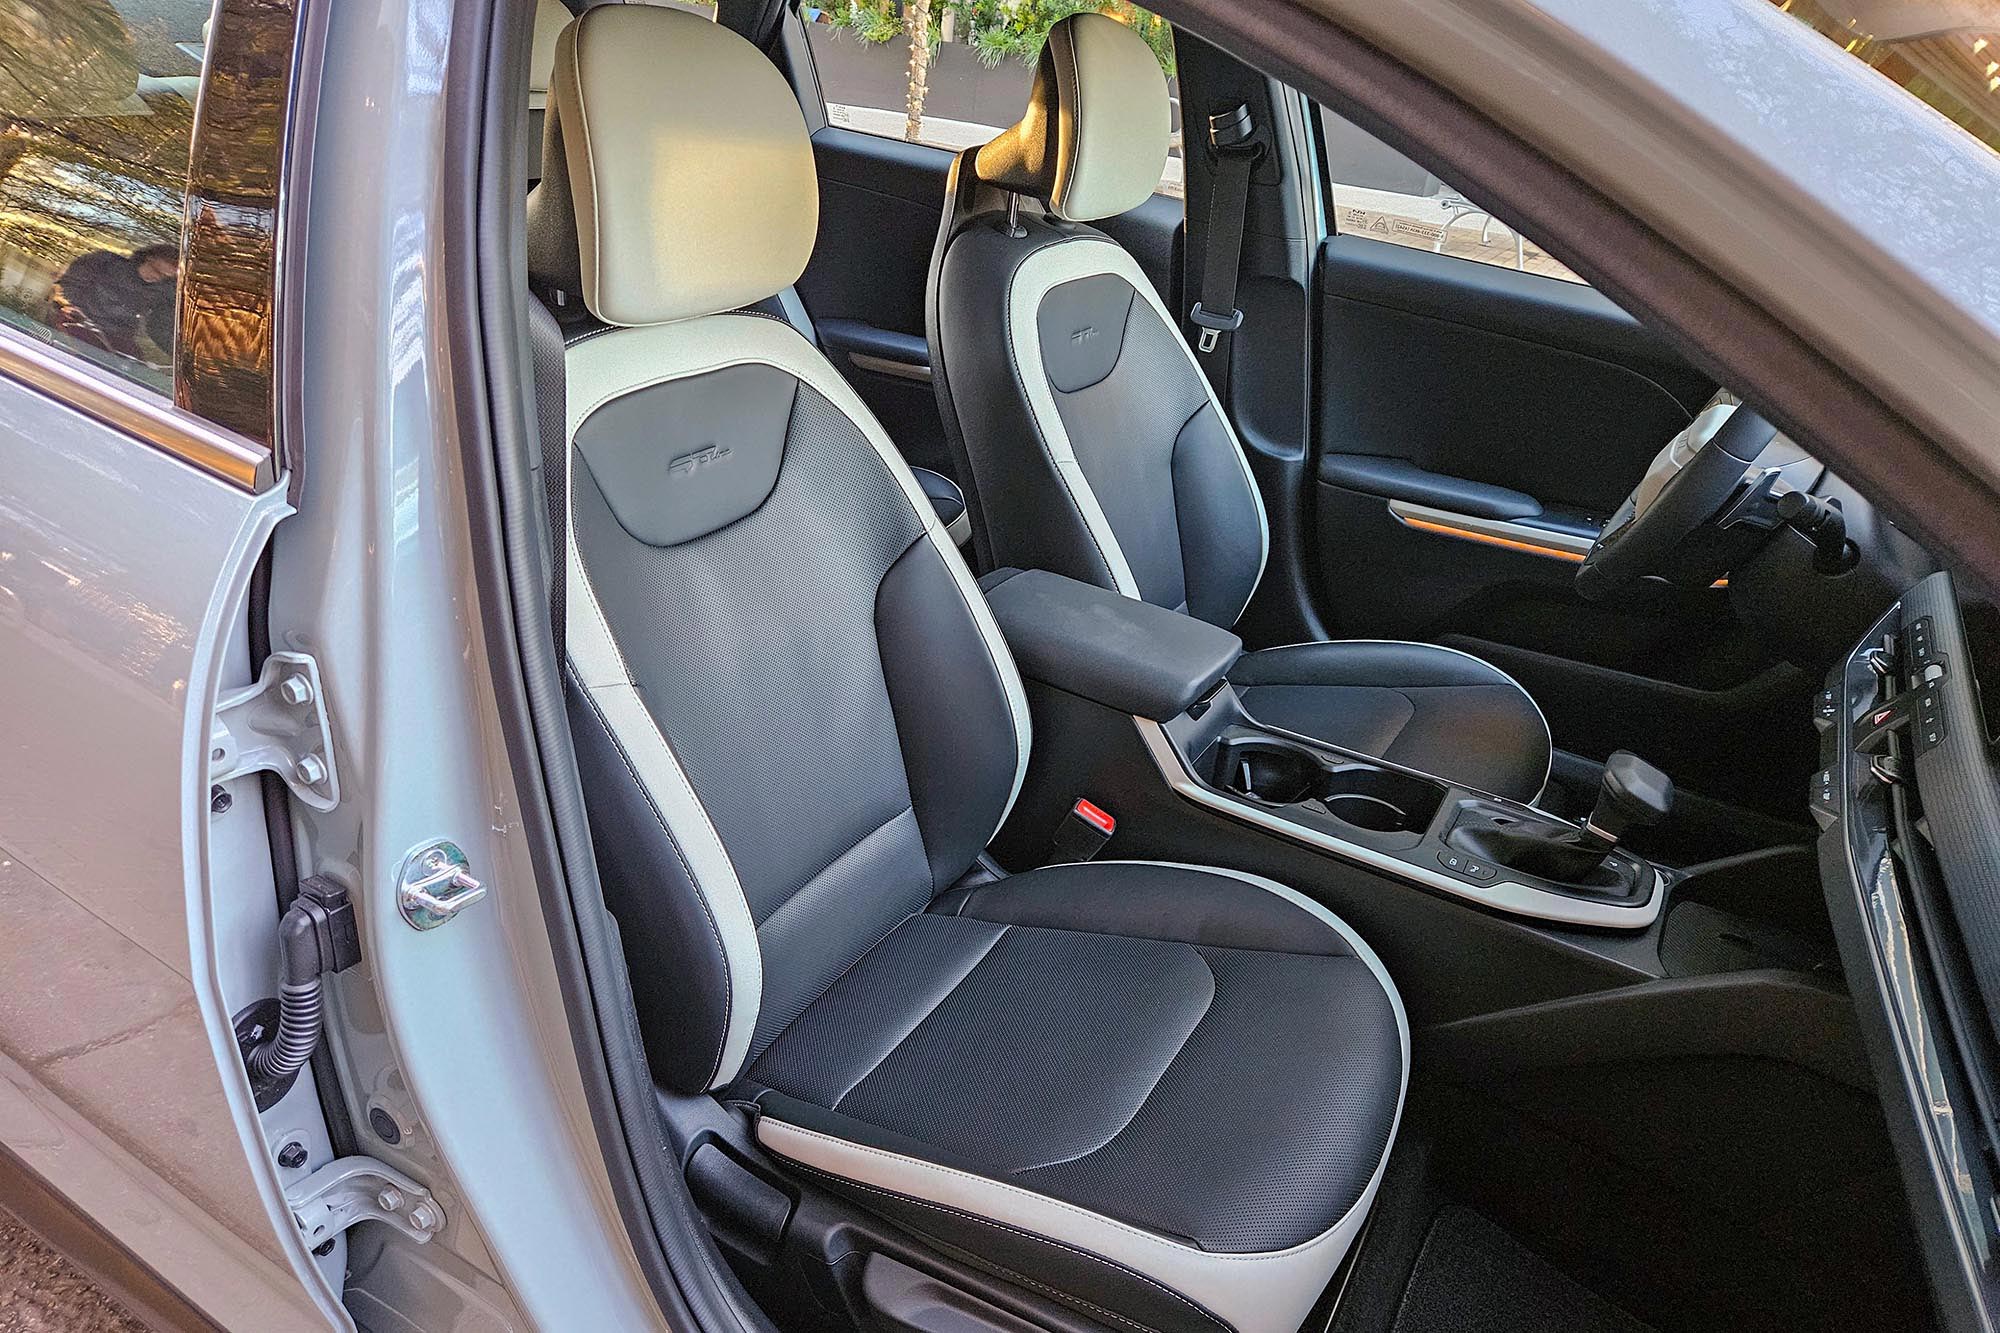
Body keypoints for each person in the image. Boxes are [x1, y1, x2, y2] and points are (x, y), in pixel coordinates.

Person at [49, 241, 179, 365]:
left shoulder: (162, 293)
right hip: (76, 324)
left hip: (117, 341)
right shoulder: (105, 263)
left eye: (165, 278)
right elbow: (67, 288)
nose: (157, 278)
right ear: (149, 258)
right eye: (156, 271)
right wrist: (73, 310)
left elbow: (160, 327)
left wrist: (177, 354)